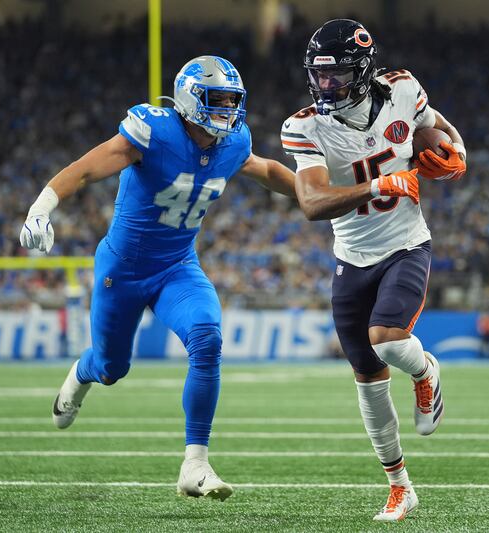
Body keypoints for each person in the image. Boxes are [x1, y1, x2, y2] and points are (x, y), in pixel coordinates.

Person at [19, 56, 296, 502]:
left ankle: (195, 463)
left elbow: (263, 169)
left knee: (207, 337)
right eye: (217, 100)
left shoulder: (233, 142)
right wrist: (41, 208)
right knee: (112, 368)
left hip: (176, 267)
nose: (228, 110)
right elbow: (89, 167)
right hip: (123, 270)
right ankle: (80, 375)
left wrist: (311, 193)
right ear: (189, 99)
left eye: (233, 100)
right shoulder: (155, 130)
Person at [282, 19, 467, 521]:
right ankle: (400, 487)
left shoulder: (403, 88)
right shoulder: (303, 126)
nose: (325, 85)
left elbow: (436, 126)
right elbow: (313, 203)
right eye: (318, 76)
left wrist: (456, 151)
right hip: (351, 258)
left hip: (406, 245)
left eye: (336, 75)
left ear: (363, 71)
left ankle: (426, 370)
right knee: (367, 375)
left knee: (387, 340)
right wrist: (377, 187)